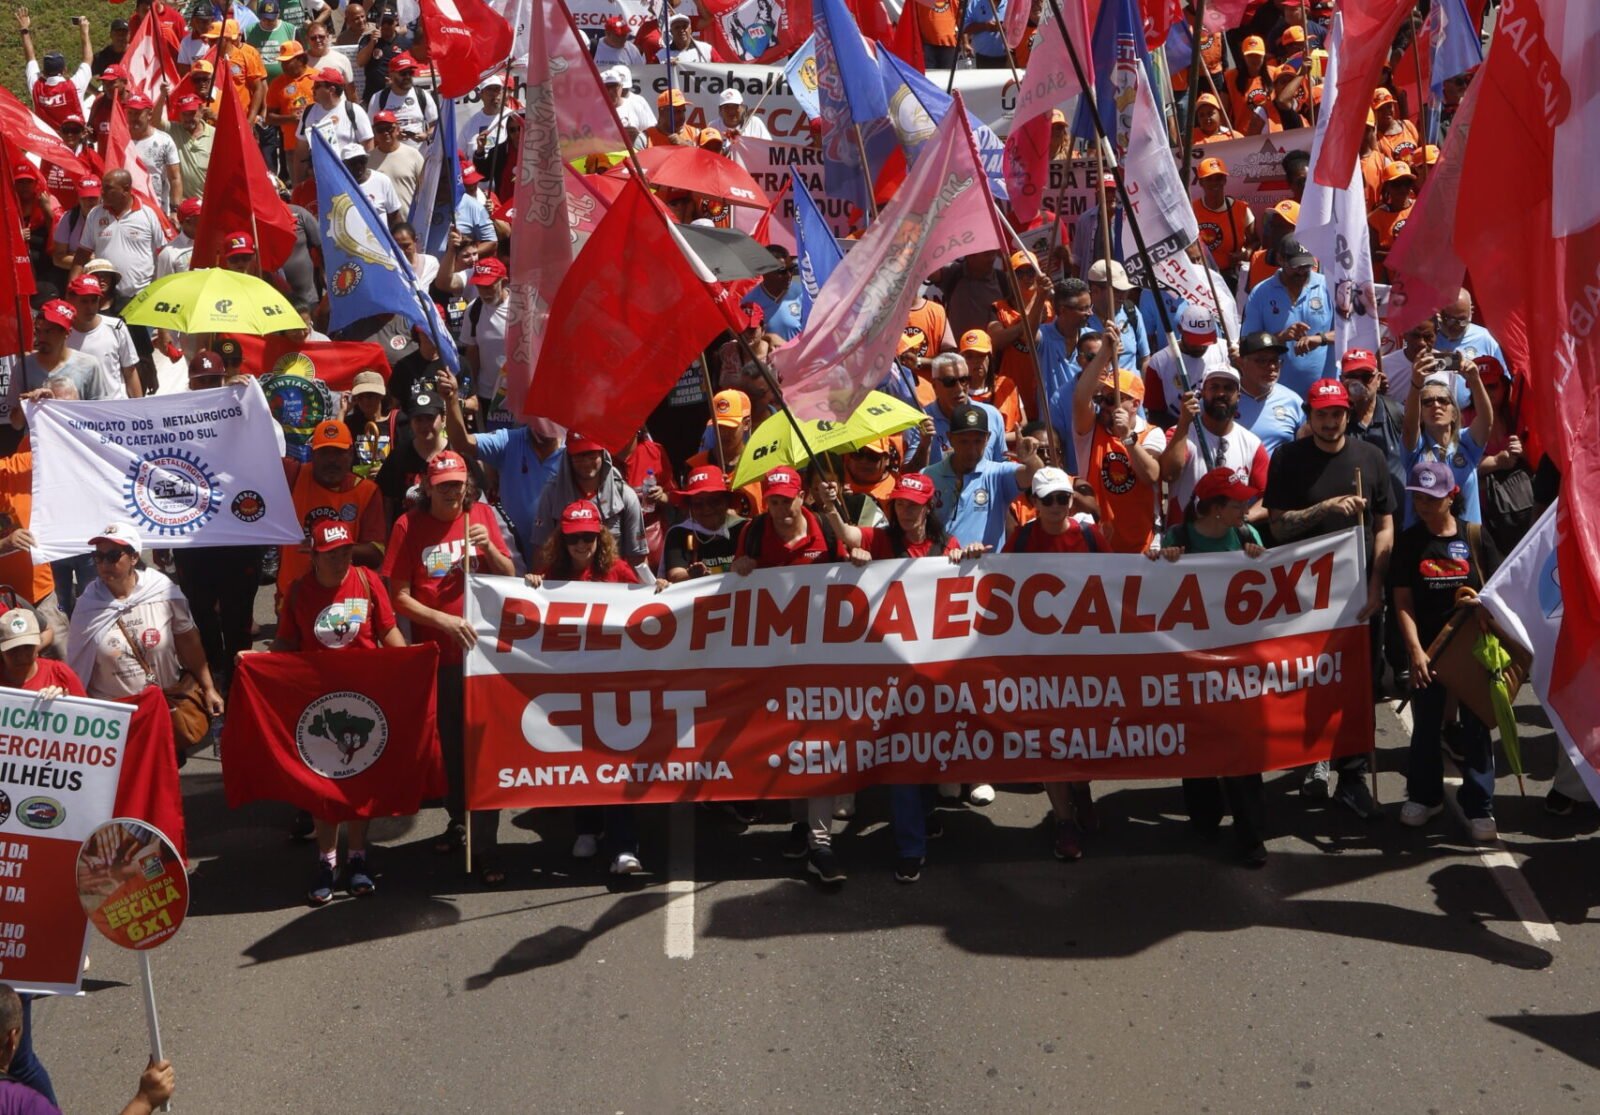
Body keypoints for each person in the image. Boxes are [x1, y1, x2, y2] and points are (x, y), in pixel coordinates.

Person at [824, 471, 986, 881]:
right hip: (890, 672)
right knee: (902, 756)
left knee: (929, 749)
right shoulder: (882, 541)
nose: (905, 510)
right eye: (899, 504)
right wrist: (829, 506)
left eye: (912, 504)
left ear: (928, 506)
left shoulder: (943, 545)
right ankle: (910, 848)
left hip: (934, 669)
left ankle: (927, 811)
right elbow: (847, 533)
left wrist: (968, 557)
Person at [382, 451, 514, 886]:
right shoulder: (409, 526)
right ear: (427, 487)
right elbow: (397, 595)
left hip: (483, 659)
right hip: (439, 656)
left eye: (458, 484)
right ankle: (462, 822)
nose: (452, 492)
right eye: (443, 486)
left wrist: (489, 548)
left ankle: (489, 847)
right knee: (452, 751)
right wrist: (443, 621)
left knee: (484, 751)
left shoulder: (481, 515)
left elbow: (510, 574)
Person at [1263, 378, 1394, 812]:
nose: (1330, 421)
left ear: (1347, 415)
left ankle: (1352, 775)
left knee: (1359, 684)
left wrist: (1377, 584)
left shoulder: (1371, 458)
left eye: (1337, 413)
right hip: (1305, 597)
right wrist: (1325, 508)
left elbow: (1385, 526)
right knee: (1311, 680)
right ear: (1310, 416)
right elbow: (1277, 525)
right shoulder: (1288, 459)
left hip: (1359, 593)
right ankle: (1314, 756)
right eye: (1322, 414)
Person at [273, 519, 405, 903]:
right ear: (312, 555)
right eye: (331, 554)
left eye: (345, 551)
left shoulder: (366, 581)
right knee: (324, 785)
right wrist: (257, 663)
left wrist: (411, 662)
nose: (340, 560)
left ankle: (359, 857)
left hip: (365, 700)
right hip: (319, 704)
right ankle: (326, 860)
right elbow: (285, 641)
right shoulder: (299, 592)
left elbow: (388, 633)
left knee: (360, 780)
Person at [730, 467, 850, 883]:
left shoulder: (828, 534)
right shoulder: (753, 532)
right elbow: (733, 591)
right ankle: (801, 824)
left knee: (822, 743)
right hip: (773, 662)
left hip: (826, 658)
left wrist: (859, 556)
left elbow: (856, 564)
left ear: (804, 499)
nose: (781, 509)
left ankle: (821, 844)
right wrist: (740, 566)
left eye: (788, 500)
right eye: (774, 501)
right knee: (790, 742)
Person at [1147, 468, 1270, 865]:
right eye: (1238, 503)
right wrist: (1161, 562)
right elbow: (1151, 590)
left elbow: (1271, 588)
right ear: (1216, 509)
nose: (1246, 509)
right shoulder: (1178, 540)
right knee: (1199, 740)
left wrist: (1260, 560)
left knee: (1243, 749)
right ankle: (1204, 819)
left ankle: (1250, 834)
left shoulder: (1248, 537)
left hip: (1238, 666)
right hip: (1192, 665)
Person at [1390, 460, 1501, 842]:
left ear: (1452, 496)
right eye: (1418, 497)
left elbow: (1498, 592)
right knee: (1426, 727)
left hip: (1471, 650)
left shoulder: (1474, 536)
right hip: (1429, 652)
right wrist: (1415, 651)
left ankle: (1479, 804)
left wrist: (1486, 614)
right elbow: (1402, 601)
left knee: (1475, 726)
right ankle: (1425, 796)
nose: (1423, 504)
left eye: (1431, 497)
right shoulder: (1408, 542)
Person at [1007, 466, 1110, 861]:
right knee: (1049, 739)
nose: (1054, 506)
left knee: (1081, 736)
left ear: (1071, 500)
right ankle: (1064, 819)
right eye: (1046, 499)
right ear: (1033, 503)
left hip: (1085, 657)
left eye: (1061, 498)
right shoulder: (1021, 539)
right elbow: (999, 586)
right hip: (1038, 659)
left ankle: (1081, 790)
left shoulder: (1088, 535)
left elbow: (1123, 583)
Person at [66, 521, 225, 730]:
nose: (104, 564)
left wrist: (208, 687)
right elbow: (77, 664)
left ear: (134, 557)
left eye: (113, 556)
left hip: (164, 710)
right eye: (98, 557)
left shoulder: (161, 591)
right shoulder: (88, 606)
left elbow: (189, 642)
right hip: (114, 720)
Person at [1072, 335, 1167, 552]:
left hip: (1141, 546)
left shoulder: (1151, 433)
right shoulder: (1090, 430)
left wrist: (1128, 439)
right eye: (1102, 398)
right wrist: (1105, 353)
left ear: (1135, 404)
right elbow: (1080, 398)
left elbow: (1151, 475)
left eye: (1112, 399)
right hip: (1096, 544)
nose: (1104, 405)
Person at [527, 434, 652, 583]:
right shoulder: (551, 494)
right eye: (579, 456)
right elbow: (541, 551)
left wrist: (647, 591)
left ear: (603, 454)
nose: (586, 462)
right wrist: (537, 586)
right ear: (568, 457)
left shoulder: (625, 496)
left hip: (611, 585)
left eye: (592, 455)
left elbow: (637, 558)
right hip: (565, 585)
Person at [926, 405, 1045, 551]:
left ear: (988, 438)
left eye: (978, 441)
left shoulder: (998, 474)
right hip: (938, 570)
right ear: (950, 438)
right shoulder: (928, 476)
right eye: (964, 441)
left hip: (985, 571)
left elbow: (1037, 477)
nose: (971, 450)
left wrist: (1030, 458)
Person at [1401, 351, 1492, 528]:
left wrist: (1474, 380)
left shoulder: (1466, 442)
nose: (1436, 405)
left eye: (1443, 401)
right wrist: (1415, 385)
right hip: (1422, 546)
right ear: (1420, 414)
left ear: (1454, 412)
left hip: (1466, 542)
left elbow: (1486, 422)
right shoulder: (1415, 448)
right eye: (1427, 402)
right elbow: (1409, 428)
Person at [1240, 235, 1335, 395]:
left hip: (1324, 394)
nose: (1302, 272)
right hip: (1277, 394)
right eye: (1296, 266)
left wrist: (1320, 339)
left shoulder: (1329, 286)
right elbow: (1246, 344)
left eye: (1307, 266)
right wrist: (1279, 338)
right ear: (1280, 259)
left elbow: (1349, 332)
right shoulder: (1260, 293)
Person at [903, 353, 1006, 469]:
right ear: (935, 386)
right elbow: (910, 477)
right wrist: (924, 445)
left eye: (964, 380)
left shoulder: (991, 415)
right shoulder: (921, 421)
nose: (959, 388)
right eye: (949, 382)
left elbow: (1001, 467)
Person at [1144, 309, 1232, 425]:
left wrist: (1241, 365)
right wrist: (1186, 427)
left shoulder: (1225, 350)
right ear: (1180, 329)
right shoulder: (1159, 363)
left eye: (1204, 342)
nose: (1200, 347)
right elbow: (1155, 415)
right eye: (1195, 341)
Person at [64, 274, 141, 399]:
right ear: (70, 300)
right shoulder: (62, 333)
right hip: (79, 411)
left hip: (114, 409)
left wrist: (140, 409)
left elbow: (130, 372)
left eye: (94, 300)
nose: (89, 307)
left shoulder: (116, 327)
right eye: (84, 301)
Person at [662, 465, 744, 581]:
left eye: (714, 501)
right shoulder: (678, 533)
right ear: (689, 506)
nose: (706, 509)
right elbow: (674, 575)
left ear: (727, 501)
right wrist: (691, 575)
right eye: (698, 503)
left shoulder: (745, 529)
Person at [1232, 331, 1303, 455]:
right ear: (1240, 362)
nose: (1271, 367)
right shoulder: (1226, 400)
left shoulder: (1293, 401)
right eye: (1262, 361)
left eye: (1275, 360)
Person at [1192, 157, 1254, 283]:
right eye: (1209, 179)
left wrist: (1244, 254)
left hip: (1232, 277)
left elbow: (1256, 242)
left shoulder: (1241, 209)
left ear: (1225, 180)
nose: (1215, 183)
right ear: (1201, 182)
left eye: (1219, 178)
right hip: (1203, 278)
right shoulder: (1191, 210)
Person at [366, 51, 436, 146]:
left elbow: (435, 124)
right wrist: (392, 136)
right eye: (403, 73)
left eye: (410, 73)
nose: (407, 77)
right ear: (391, 75)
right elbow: (371, 130)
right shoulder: (378, 98)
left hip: (420, 156)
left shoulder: (422, 95)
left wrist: (426, 135)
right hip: (391, 155)